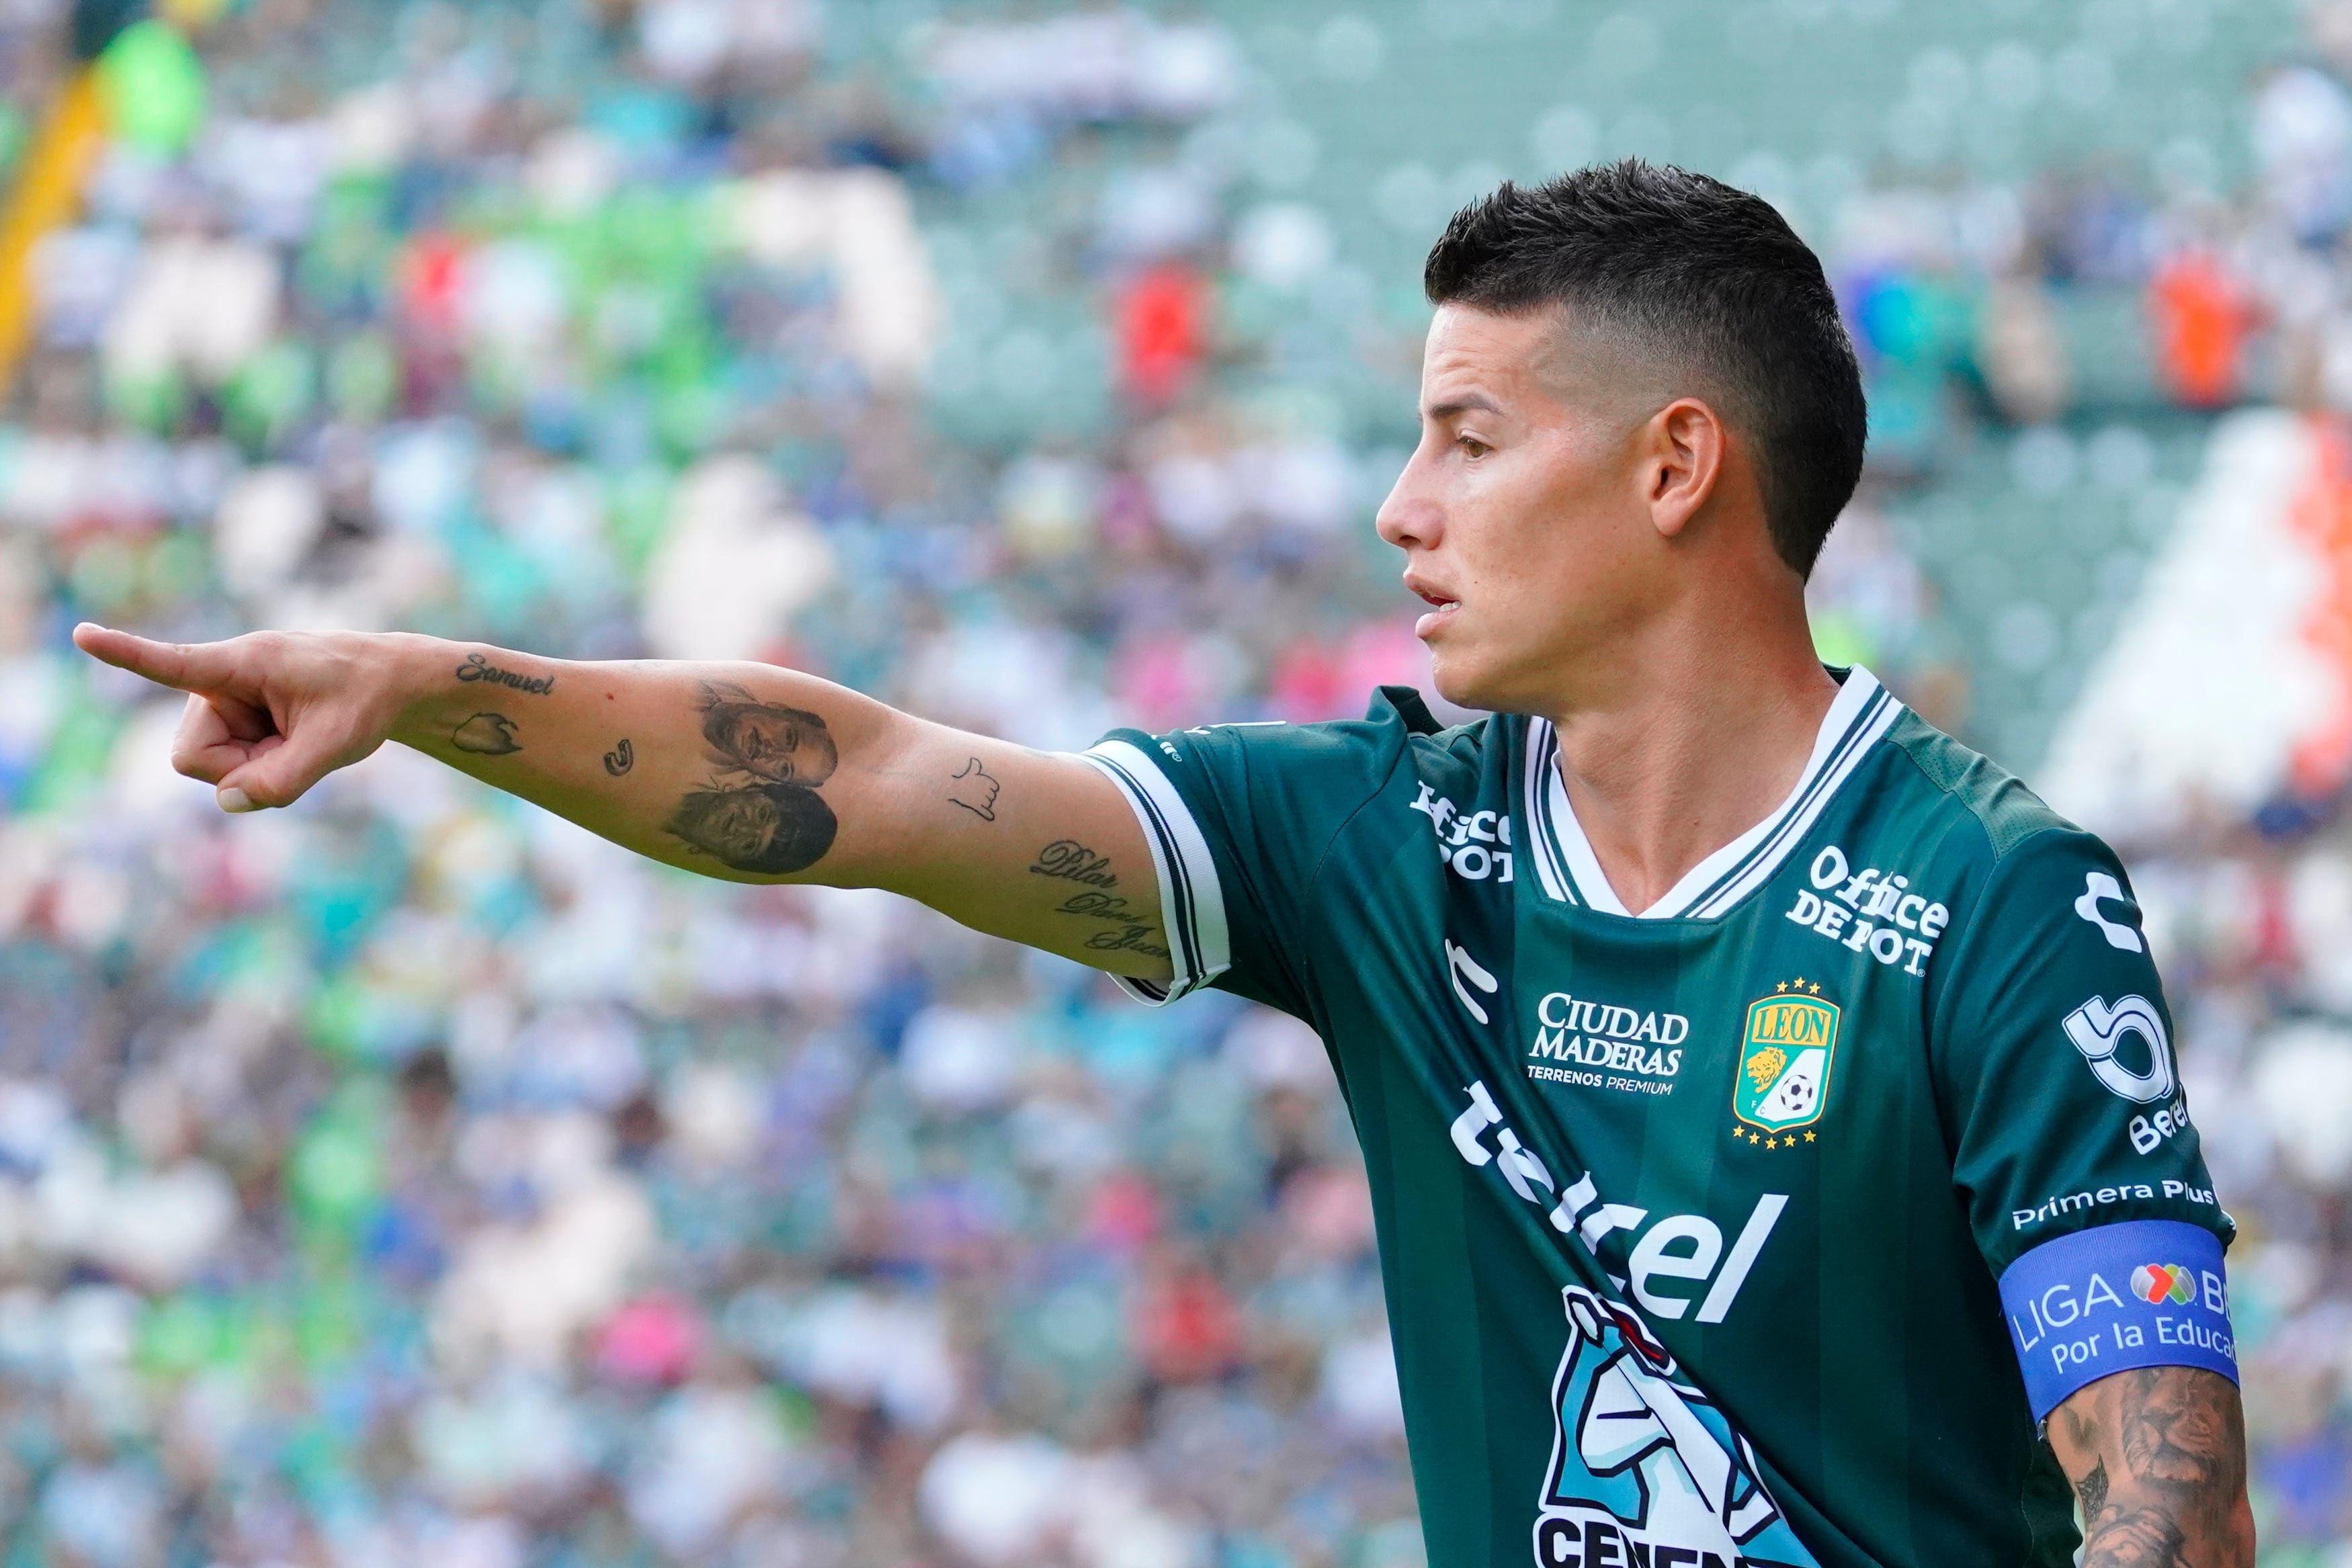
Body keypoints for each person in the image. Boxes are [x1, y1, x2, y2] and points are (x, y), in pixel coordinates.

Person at [75, 162, 2251, 1567]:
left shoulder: (1989, 906)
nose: (1401, 506)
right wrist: (435, 687)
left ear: (1678, 465)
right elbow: (875, 784)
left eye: (1467, 438)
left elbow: (2164, 1514)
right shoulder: (1386, 836)